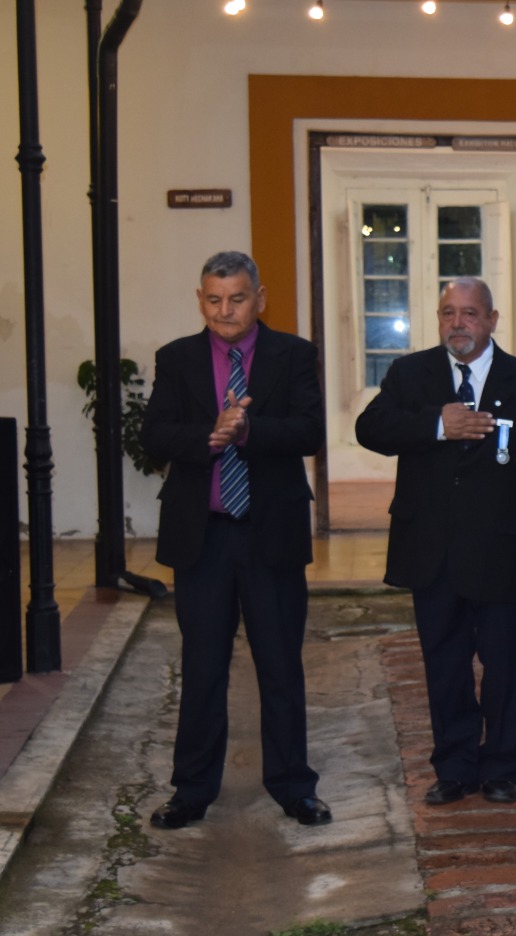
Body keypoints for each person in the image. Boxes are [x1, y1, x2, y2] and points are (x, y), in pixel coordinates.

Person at [354, 278, 516, 806]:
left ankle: (501, 766)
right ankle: (453, 766)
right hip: (432, 549)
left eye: (470, 313)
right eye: (448, 312)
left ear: (492, 320)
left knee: (504, 663)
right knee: (444, 663)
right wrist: (436, 425)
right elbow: (370, 429)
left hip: (503, 550)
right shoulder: (411, 374)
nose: (458, 323)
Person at [140, 251, 329, 830]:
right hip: (204, 539)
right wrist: (210, 435)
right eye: (214, 299)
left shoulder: (292, 354)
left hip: (270, 534)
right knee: (202, 669)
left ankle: (293, 786)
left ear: (260, 298)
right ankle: (191, 791)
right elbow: (154, 435)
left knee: (280, 666)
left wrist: (248, 430)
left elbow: (310, 431)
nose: (225, 311)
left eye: (237, 298)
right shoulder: (176, 358)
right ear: (201, 300)